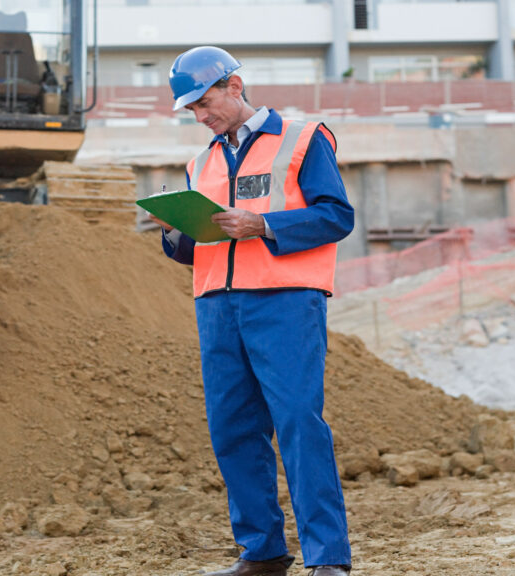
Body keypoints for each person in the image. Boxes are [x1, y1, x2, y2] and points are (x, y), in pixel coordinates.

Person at [155, 46, 354, 576]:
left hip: (285, 301)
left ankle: (328, 558)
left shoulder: (303, 139)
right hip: (218, 306)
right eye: (192, 110)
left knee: (296, 423)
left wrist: (264, 226)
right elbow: (202, 242)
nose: (201, 117)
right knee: (232, 430)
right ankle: (262, 553)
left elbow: (337, 217)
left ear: (234, 86)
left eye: (204, 102)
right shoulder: (201, 162)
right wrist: (174, 233)